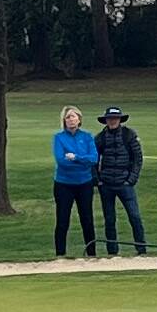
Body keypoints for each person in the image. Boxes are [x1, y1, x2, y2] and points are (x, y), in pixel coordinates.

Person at [92, 105, 148, 254]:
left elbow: (138, 158)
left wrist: (131, 179)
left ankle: (141, 248)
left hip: (125, 183)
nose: (112, 121)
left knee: (134, 217)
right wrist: (98, 181)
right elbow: (93, 161)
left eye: (115, 118)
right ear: (106, 121)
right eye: (110, 119)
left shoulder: (129, 135)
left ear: (120, 120)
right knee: (109, 220)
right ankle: (112, 251)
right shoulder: (100, 138)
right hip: (107, 184)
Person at [48, 107, 98, 257]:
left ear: (79, 119)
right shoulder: (59, 138)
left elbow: (93, 158)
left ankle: (92, 253)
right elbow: (61, 161)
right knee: (63, 220)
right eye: (68, 117)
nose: (71, 120)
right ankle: (60, 254)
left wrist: (76, 157)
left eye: (73, 117)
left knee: (87, 219)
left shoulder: (87, 137)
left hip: (84, 182)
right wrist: (82, 160)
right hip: (64, 183)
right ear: (64, 120)